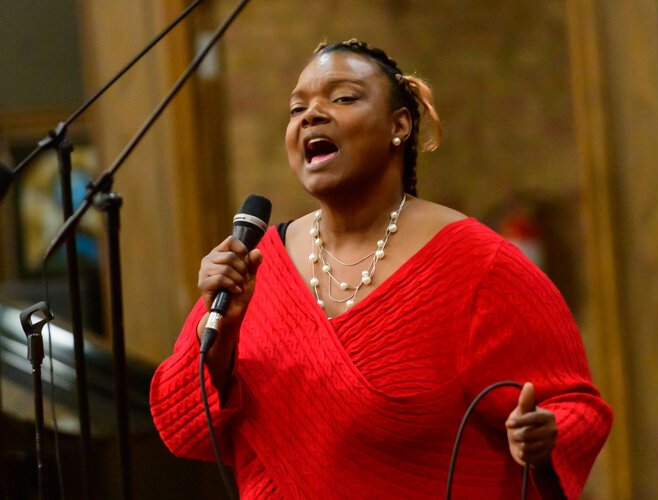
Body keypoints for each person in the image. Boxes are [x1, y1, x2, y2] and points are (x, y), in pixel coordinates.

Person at [149, 39, 612, 499]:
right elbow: (182, 430)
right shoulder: (254, 266)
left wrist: (547, 430)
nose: (310, 115)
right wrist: (221, 337)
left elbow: (577, 407)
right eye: (296, 109)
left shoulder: (479, 265)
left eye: (343, 97)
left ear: (400, 125)